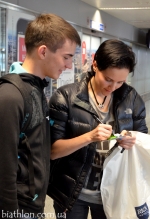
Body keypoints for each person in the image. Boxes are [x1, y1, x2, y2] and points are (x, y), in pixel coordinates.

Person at [47, 39, 148, 219]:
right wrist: (89, 137)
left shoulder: (132, 98)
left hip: (115, 192)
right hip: (72, 193)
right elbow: (52, 151)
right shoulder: (66, 97)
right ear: (95, 64)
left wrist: (131, 141)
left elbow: (142, 141)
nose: (113, 87)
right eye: (108, 79)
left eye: (120, 82)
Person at [0, 13, 81, 218]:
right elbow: (4, 167)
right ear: (43, 51)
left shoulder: (35, 89)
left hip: (33, 204)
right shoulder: (10, 96)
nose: (69, 65)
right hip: (18, 209)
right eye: (66, 57)